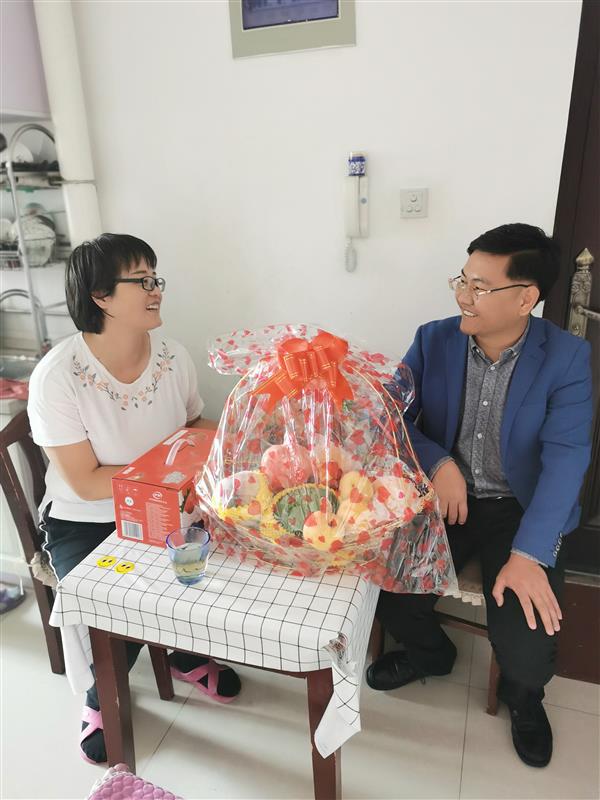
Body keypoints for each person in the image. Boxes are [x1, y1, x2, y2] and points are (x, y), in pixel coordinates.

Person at [367, 223, 593, 768]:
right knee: (386, 592)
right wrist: (439, 463)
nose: (463, 296)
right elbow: (390, 417)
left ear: (526, 299)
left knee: (528, 637)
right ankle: (432, 656)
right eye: (462, 280)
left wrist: (529, 553)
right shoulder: (433, 339)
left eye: (480, 287)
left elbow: (566, 460)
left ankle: (524, 697)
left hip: (523, 509)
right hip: (449, 498)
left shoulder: (566, 358)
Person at [27, 233, 241, 765]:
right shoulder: (58, 376)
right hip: (86, 520)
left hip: (168, 506)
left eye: (155, 278)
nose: (156, 290)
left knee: (215, 573)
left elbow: (192, 425)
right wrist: (173, 477)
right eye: (141, 281)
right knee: (118, 603)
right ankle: (100, 695)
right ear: (100, 296)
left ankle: (182, 655)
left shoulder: (172, 355)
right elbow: (84, 482)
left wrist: (239, 437)